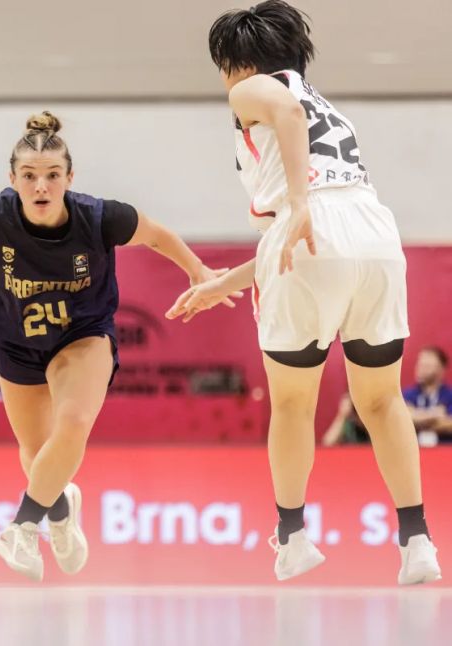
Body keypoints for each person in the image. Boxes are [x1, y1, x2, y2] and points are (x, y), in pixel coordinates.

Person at [0, 111, 234, 581]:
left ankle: (21, 529)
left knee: (72, 424)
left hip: (81, 333)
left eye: (52, 175)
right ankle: (61, 509)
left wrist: (196, 269)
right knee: (36, 453)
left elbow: (154, 234)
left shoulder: (101, 218)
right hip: (15, 341)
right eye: (29, 176)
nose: (41, 186)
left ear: (70, 178)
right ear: (13, 179)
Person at [168, 0, 440, 584]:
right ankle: (417, 541)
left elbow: (301, 209)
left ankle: (292, 539)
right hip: (376, 238)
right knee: (382, 401)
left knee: (292, 402)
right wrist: (225, 281)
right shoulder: (330, 108)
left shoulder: (253, 91)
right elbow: (310, 236)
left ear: (238, 63)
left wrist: (295, 201)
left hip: (312, 232)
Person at [403, 346, 452, 446]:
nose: (421, 369)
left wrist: (417, 418)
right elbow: (403, 422)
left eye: (427, 366)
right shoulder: (407, 394)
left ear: (441, 369)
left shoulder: (449, 395)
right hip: (414, 449)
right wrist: (434, 415)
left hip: (444, 449)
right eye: (420, 364)